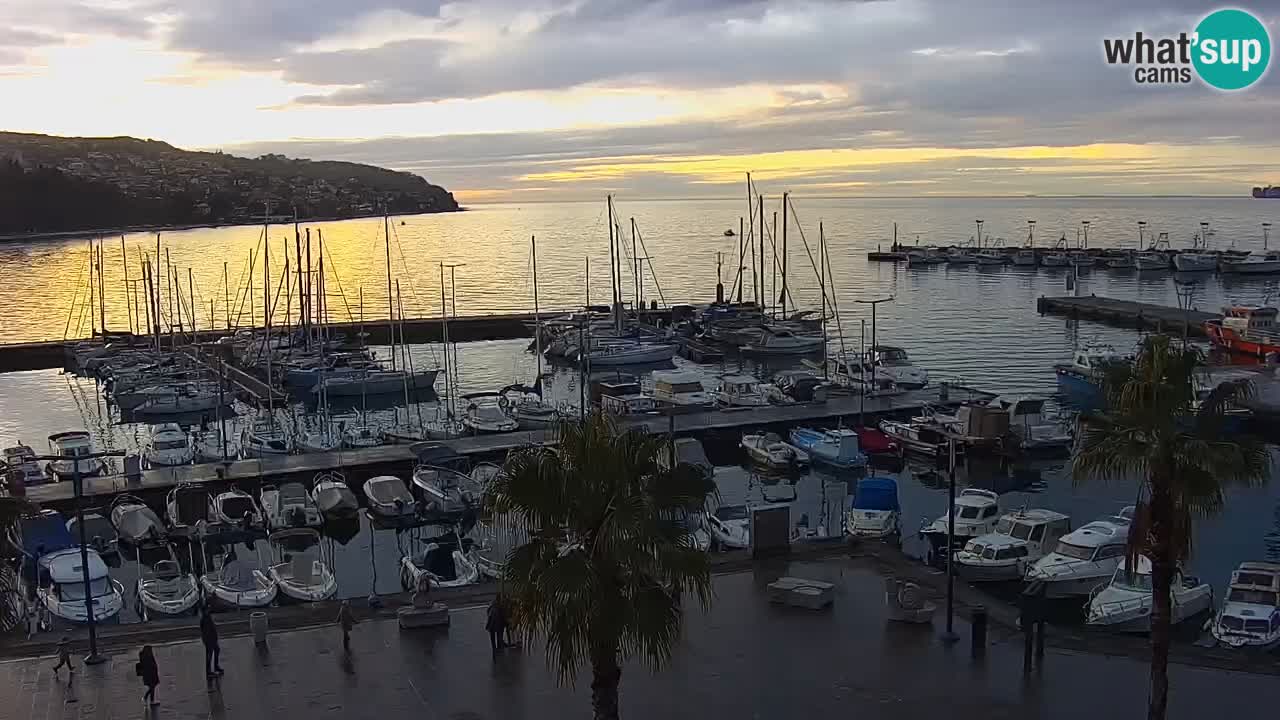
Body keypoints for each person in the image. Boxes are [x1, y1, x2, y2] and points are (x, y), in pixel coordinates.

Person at [199, 609, 223, 677]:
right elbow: (206, 631)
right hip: (209, 640)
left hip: (212, 638)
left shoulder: (207, 617)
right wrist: (208, 640)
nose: (208, 610)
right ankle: (209, 672)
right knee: (209, 655)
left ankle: (216, 667)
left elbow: (211, 627)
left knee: (217, 650)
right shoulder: (204, 619)